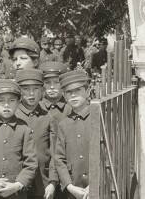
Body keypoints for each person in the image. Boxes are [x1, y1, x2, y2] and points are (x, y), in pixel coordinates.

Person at [15, 69, 57, 199]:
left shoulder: (47, 117)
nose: (31, 93)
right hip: (17, 184)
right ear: (19, 91)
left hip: (42, 184)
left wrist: (53, 182)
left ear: (42, 91)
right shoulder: (13, 116)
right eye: (26, 89)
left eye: (36, 88)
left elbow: (54, 152)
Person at [53, 70, 92, 199]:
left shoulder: (99, 118)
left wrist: (95, 183)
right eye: (69, 92)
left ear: (87, 91)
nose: (73, 95)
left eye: (78, 90)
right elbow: (59, 159)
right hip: (73, 190)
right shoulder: (64, 124)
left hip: (98, 187)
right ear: (64, 96)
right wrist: (69, 185)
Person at [39, 62, 70, 130]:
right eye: (47, 82)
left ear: (63, 84)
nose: (52, 87)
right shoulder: (37, 109)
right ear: (42, 85)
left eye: (56, 82)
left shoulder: (70, 109)